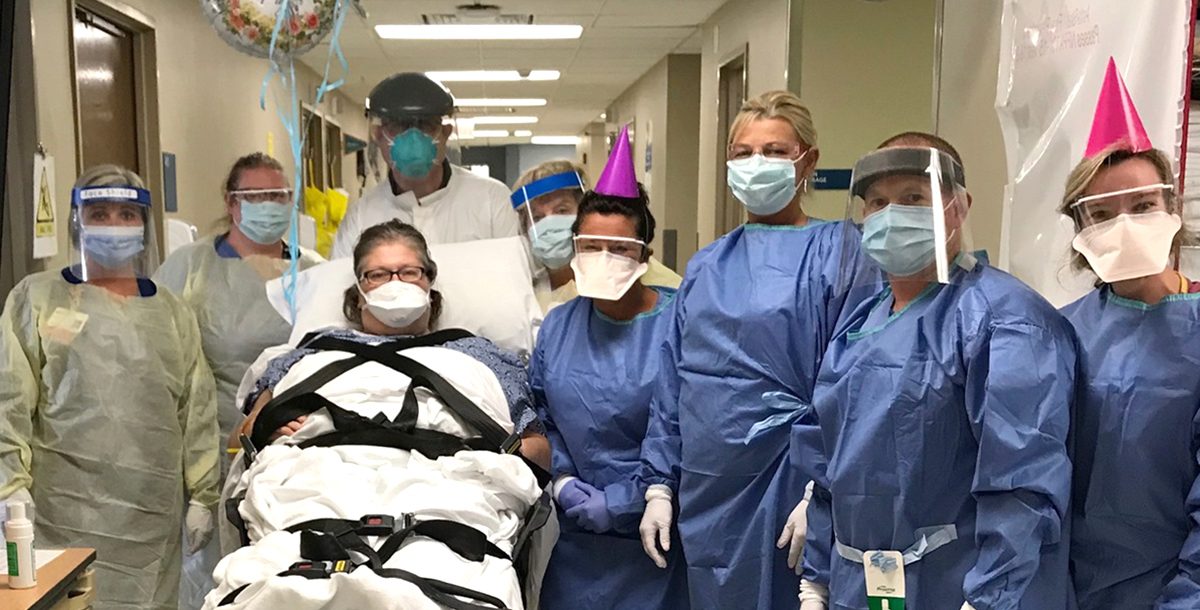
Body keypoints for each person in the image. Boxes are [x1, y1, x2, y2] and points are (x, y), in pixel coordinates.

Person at [797, 134, 1076, 610]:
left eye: (913, 199)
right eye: (878, 203)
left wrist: (988, 599)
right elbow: (833, 469)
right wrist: (816, 582)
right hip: (859, 589)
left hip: (956, 590)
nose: (891, 214)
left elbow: (1021, 484)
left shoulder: (1002, 320)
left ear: (958, 207)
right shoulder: (860, 324)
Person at [637, 90, 867, 608]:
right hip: (711, 488)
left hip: (796, 477)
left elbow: (855, 378)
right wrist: (658, 485)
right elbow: (675, 378)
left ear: (808, 160)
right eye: (742, 153)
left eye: (775, 151)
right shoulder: (707, 265)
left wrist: (824, 490)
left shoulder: (843, 251)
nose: (755, 165)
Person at [0, 165, 220, 609]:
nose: (114, 226)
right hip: (60, 510)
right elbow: (8, 399)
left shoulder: (172, 313)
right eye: (99, 213)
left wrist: (203, 493)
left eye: (126, 214)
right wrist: (9, 486)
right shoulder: (36, 299)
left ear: (145, 224)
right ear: (78, 221)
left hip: (149, 516)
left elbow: (196, 408)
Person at [153, 152, 323, 609]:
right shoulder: (190, 270)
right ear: (232, 203)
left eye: (279, 195)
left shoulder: (313, 270)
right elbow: (164, 363)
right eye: (256, 196)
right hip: (208, 452)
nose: (270, 204)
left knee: (288, 577)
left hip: (297, 447)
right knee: (211, 578)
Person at [1060, 62, 1200, 608]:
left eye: (1142, 207)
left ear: (1171, 209)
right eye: (1101, 213)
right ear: (1080, 231)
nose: (1124, 226)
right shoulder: (1060, 332)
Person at [530, 140, 689, 609]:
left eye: (618, 247)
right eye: (590, 246)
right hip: (574, 541)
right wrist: (560, 479)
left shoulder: (681, 323)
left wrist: (626, 499)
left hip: (659, 532)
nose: (602, 257)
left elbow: (690, 425)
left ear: (644, 254)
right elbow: (541, 414)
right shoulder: (559, 324)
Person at [331, 73, 519, 258]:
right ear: (378, 134)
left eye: (426, 125)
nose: (414, 138)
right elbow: (341, 284)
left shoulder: (492, 200)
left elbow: (517, 278)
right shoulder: (360, 218)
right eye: (399, 126)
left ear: (445, 133)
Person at [511, 155, 681, 314]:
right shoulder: (524, 287)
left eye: (562, 210)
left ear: (585, 212)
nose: (548, 225)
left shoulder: (637, 271)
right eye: (537, 217)